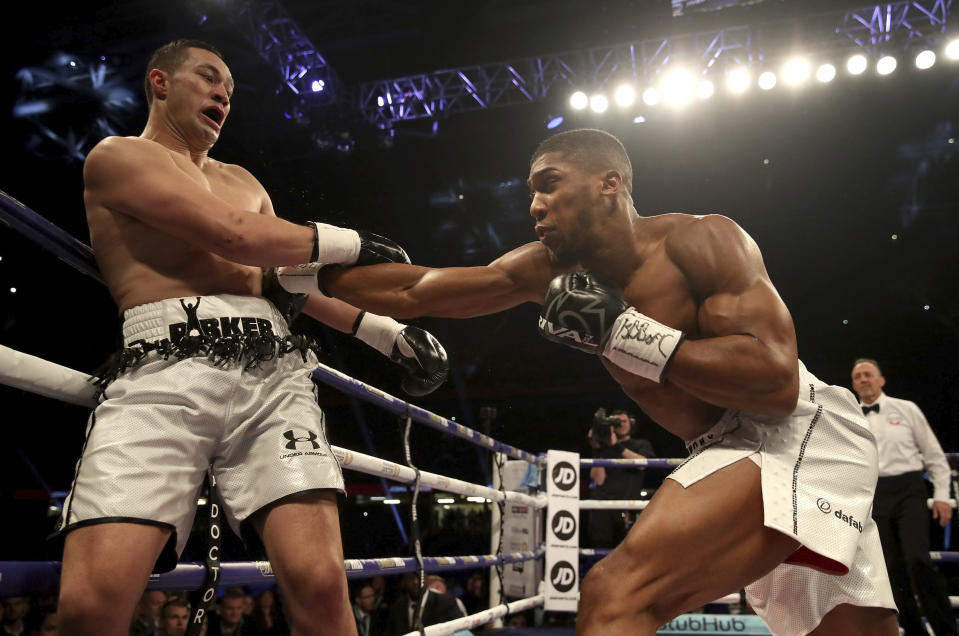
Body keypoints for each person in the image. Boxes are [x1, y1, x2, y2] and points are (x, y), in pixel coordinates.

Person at [319, 128, 900, 635]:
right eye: (531, 193)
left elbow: (775, 384)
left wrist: (623, 331)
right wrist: (302, 265)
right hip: (727, 447)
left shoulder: (701, 240)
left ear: (608, 183)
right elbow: (413, 291)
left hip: (795, 431)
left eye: (548, 184)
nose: (535, 205)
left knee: (615, 596)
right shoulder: (545, 271)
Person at [55, 39, 449, 636]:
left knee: (320, 584)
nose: (223, 95)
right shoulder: (118, 157)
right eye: (209, 79)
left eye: (231, 91)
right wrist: (348, 241)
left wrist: (384, 332)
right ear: (160, 83)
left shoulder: (243, 180)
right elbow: (230, 236)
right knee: (93, 604)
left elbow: (282, 278)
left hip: (271, 376)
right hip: (162, 370)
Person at [852, 358, 957, 636]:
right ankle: (912, 630)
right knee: (891, 570)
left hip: (910, 490)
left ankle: (946, 630)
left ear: (881, 380)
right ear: (853, 384)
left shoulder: (906, 409)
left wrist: (943, 495)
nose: (863, 379)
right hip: (874, 495)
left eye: (868, 374)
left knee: (917, 560)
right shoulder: (850, 417)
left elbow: (934, 456)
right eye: (858, 376)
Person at [587, 408, 655, 548]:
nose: (621, 424)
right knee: (600, 550)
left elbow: (643, 464)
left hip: (627, 508)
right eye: (616, 422)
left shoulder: (641, 444)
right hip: (602, 506)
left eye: (623, 421)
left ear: (631, 423)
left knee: (628, 551)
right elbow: (598, 479)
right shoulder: (605, 447)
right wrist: (598, 448)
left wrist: (616, 446)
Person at [384, 573, 465, 635]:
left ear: (426, 578)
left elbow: (463, 633)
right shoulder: (397, 607)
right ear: (403, 582)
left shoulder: (445, 602)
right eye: (410, 578)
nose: (416, 582)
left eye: (419, 576)